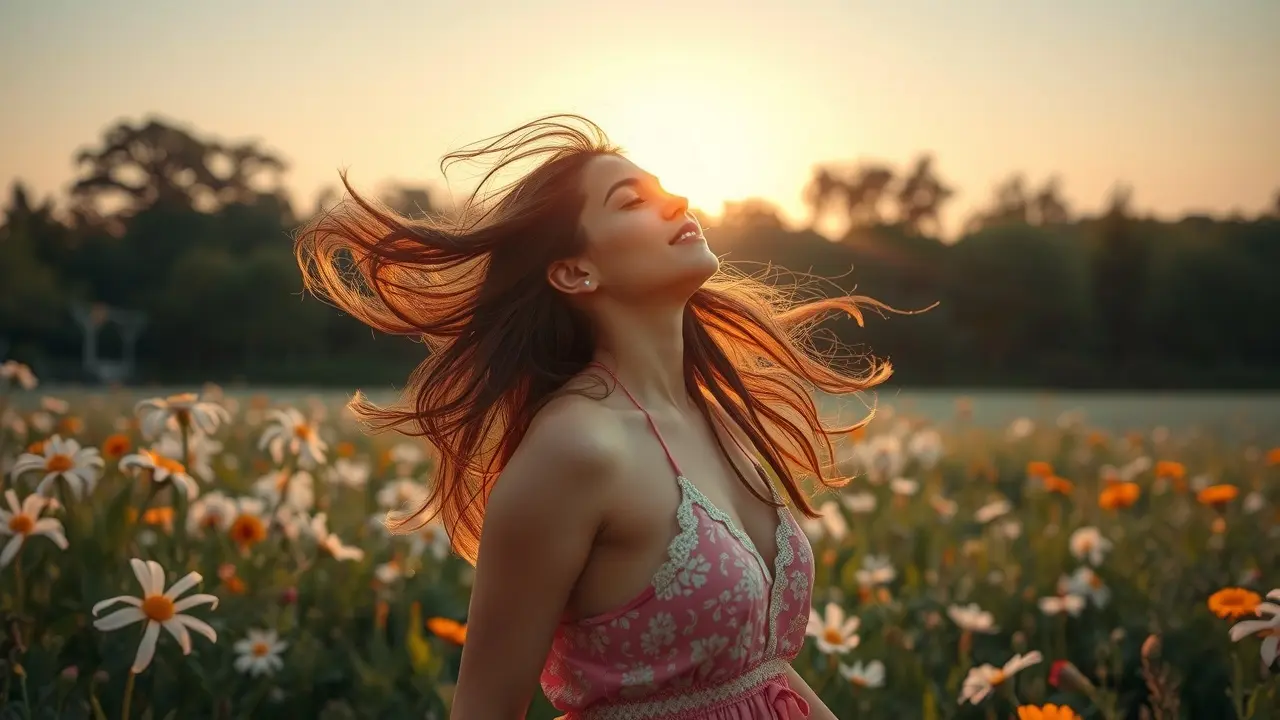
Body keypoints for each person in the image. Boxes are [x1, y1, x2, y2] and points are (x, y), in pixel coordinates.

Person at [292, 114, 892, 719]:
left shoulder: (718, 419)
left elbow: (761, 675)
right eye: (633, 201)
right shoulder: (576, 449)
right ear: (575, 271)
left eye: (665, 188)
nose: (678, 201)